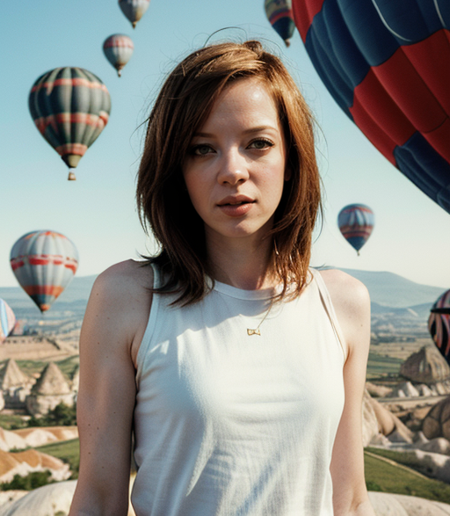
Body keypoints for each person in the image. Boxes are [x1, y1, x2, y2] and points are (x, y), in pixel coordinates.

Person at [69, 40, 376, 516]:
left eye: (259, 143)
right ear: (177, 169)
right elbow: (99, 497)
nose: (232, 171)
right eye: (202, 149)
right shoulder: (128, 298)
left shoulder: (343, 303)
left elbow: (350, 500)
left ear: (292, 159)